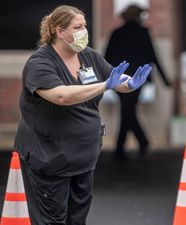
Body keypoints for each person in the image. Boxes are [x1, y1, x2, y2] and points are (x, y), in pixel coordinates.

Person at [13, 5, 152, 225]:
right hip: (50, 159)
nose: (83, 32)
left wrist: (130, 84)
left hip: (83, 158)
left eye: (84, 26)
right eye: (78, 27)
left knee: (76, 220)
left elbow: (115, 79)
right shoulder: (40, 63)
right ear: (60, 31)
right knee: (52, 220)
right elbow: (62, 96)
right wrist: (105, 85)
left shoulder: (88, 56)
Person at [105, 4, 171, 159]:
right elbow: (153, 57)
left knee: (127, 109)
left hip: (119, 78)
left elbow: (106, 57)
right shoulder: (143, 33)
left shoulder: (117, 33)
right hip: (138, 78)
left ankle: (124, 147)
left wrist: (106, 77)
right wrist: (164, 79)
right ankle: (137, 143)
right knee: (128, 110)